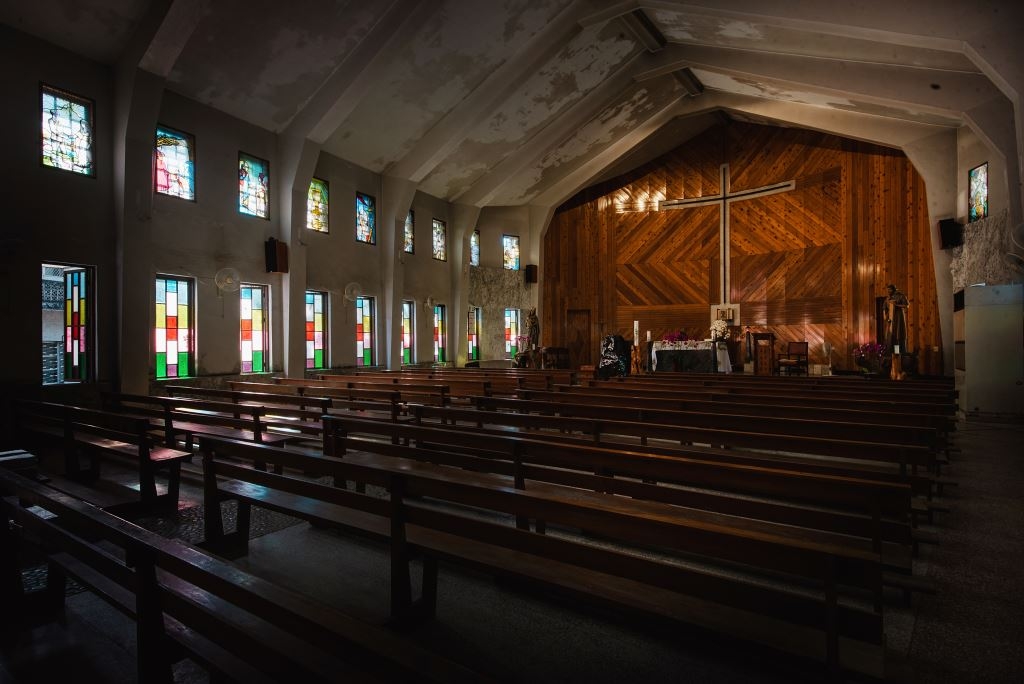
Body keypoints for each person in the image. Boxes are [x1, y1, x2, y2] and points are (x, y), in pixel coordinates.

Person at [884, 284, 909, 354]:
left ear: (894, 289)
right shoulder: (888, 298)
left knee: (898, 335)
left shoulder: (901, 295)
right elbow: (885, 308)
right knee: (891, 336)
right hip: (891, 319)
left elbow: (906, 305)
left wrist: (896, 305)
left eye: (890, 289)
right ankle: (891, 353)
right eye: (887, 290)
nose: (888, 291)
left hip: (898, 318)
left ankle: (898, 353)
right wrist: (885, 316)